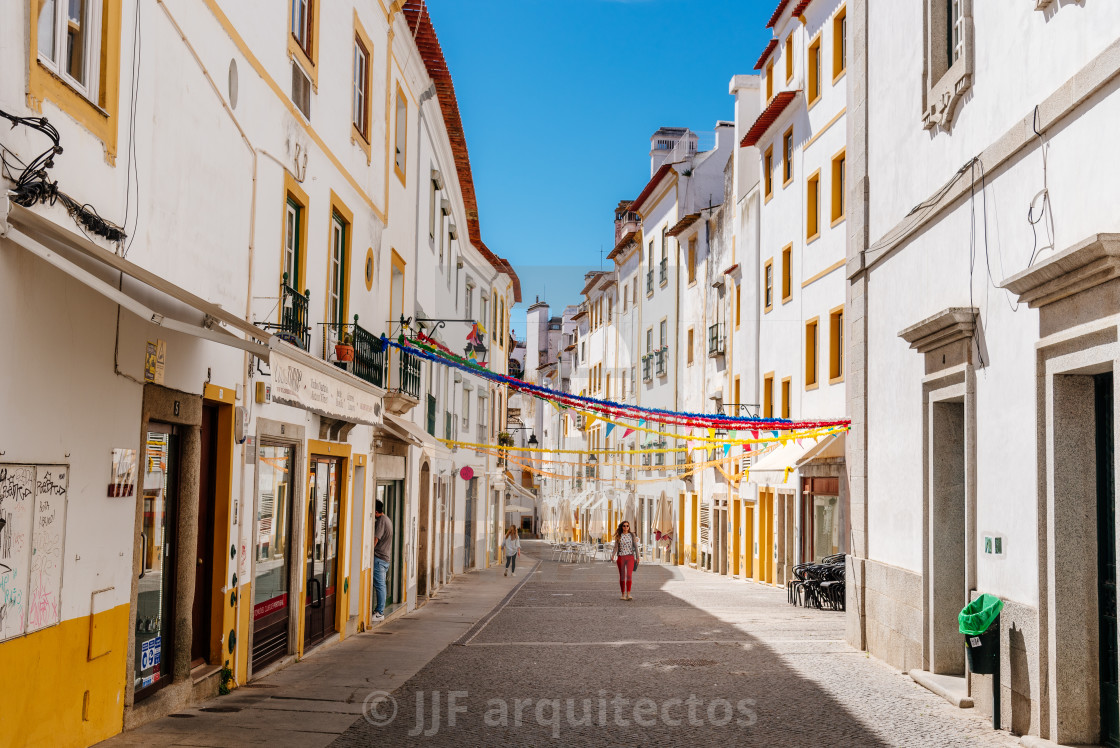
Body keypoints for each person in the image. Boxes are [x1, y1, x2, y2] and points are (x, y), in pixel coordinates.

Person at [372, 500, 393, 621]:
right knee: (381, 585)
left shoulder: (381, 521)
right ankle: (378, 610)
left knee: (380, 586)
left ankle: (380, 612)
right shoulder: (387, 519)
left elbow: (376, 538)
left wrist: (369, 551)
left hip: (379, 558)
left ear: (376, 511)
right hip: (384, 558)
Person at [611, 521, 639, 601]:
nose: (626, 527)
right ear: (622, 527)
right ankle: (623, 594)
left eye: (627, 526)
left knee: (629, 575)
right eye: (624, 526)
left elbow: (635, 546)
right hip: (621, 557)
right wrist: (613, 555)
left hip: (630, 557)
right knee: (622, 576)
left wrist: (637, 557)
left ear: (629, 527)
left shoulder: (632, 535)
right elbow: (615, 547)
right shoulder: (619, 536)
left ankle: (628, 594)